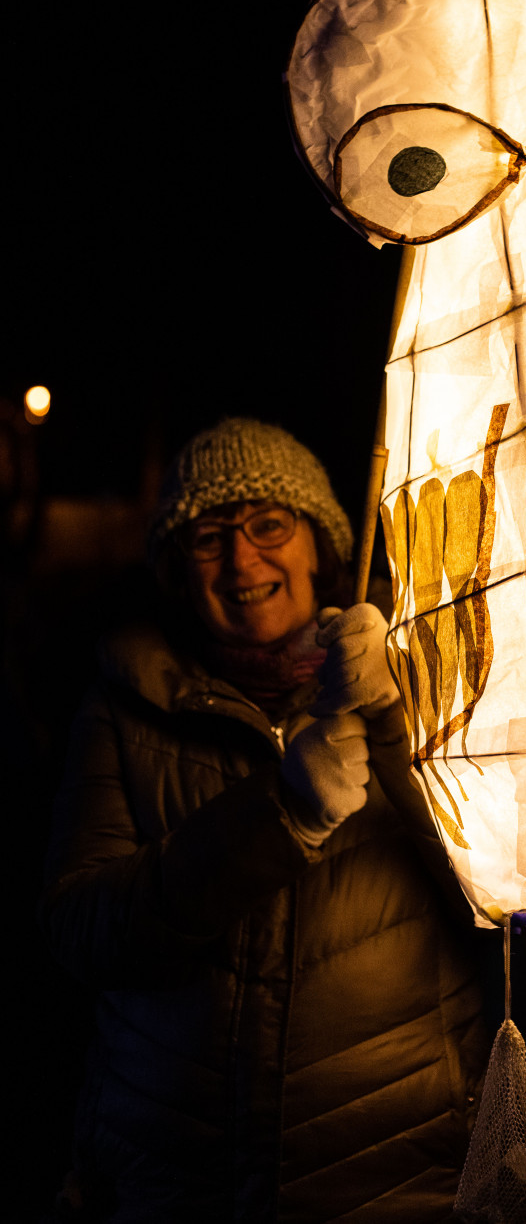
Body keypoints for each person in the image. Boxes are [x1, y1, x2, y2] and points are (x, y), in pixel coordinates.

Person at [40, 417, 488, 1223]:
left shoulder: (433, 676)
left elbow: (495, 895)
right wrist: (276, 814)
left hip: (392, 1181)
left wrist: (391, 715)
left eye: (269, 525)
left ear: (320, 544)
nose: (243, 560)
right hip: (173, 1185)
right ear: (179, 571)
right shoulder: (124, 706)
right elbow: (83, 930)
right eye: (208, 538)